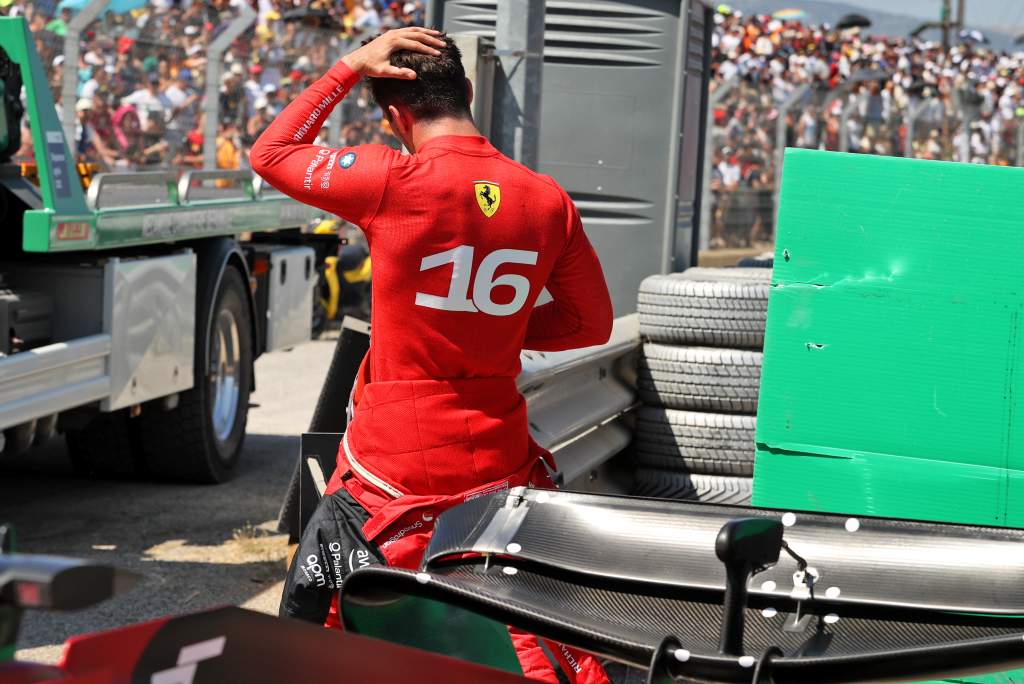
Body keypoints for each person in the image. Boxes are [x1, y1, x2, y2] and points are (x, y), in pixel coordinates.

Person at [250, 27, 612, 684]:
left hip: (391, 469)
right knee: (528, 622)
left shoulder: (392, 177)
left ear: (394, 114)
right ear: (468, 93)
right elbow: (592, 322)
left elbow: (272, 153)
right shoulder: (545, 197)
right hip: (499, 454)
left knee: (319, 617)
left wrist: (348, 65)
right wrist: (493, 329)